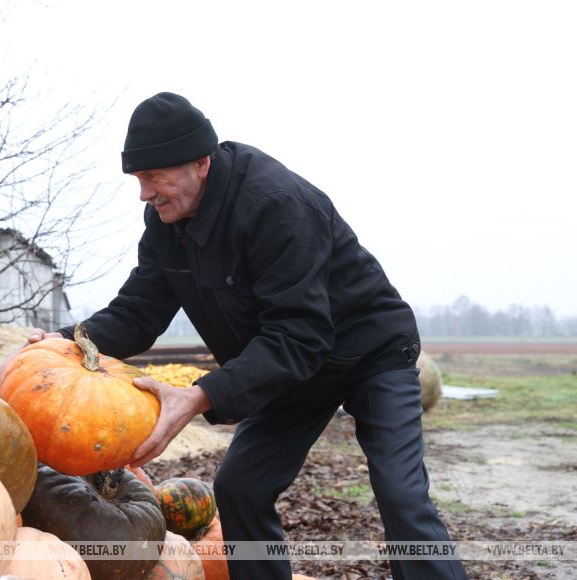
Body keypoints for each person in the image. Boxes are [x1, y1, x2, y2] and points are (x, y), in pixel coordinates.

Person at [26, 92, 468, 580]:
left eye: (152, 177)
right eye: (138, 179)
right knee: (240, 487)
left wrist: (200, 395)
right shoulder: (166, 222)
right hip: (290, 364)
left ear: (201, 162)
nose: (144, 194)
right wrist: (68, 343)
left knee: (401, 495)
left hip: (370, 352)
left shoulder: (276, 205)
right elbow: (139, 311)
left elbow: (301, 333)